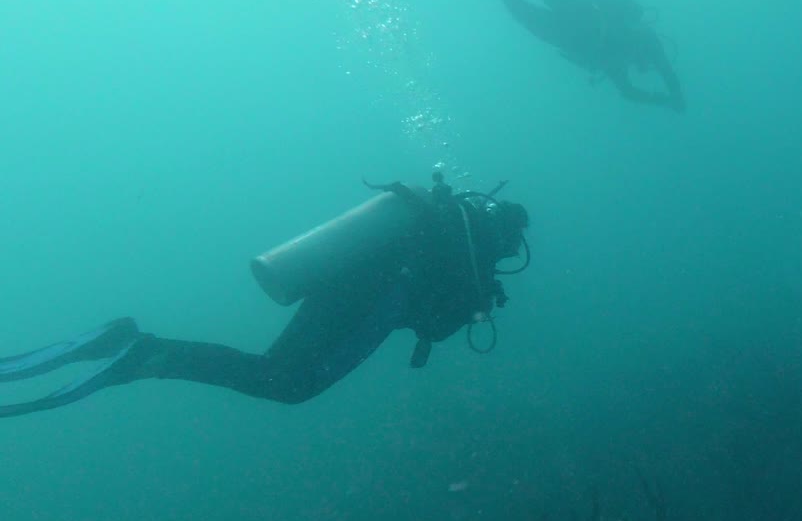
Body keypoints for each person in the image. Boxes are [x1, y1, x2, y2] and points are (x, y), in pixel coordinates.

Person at [0, 175, 530, 417]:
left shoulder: (439, 225)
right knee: (292, 384)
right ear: (507, 240)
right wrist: (482, 300)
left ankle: (137, 348)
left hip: (341, 282)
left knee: (278, 371)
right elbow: (435, 325)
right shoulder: (474, 257)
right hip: (380, 296)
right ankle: (143, 354)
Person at [436, 0, 685, 112]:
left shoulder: (617, 65)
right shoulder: (647, 43)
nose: (641, 64)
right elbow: (666, 75)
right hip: (582, 20)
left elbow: (629, 91)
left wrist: (664, 100)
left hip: (571, 30)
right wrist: (669, 98)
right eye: (643, 63)